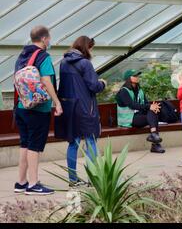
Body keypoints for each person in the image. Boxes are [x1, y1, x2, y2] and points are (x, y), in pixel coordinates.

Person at [14, 26, 62, 195]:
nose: (50, 41)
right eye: (49, 38)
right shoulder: (43, 57)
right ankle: (33, 184)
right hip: (38, 109)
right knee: (34, 146)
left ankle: (21, 182)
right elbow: (46, 81)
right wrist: (57, 103)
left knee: (25, 144)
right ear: (43, 39)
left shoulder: (22, 56)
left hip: (21, 107)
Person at [56, 36, 106, 186]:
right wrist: (102, 83)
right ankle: (93, 179)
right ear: (87, 47)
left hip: (70, 108)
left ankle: (73, 179)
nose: (91, 51)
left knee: (73, 143)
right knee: (90, 142)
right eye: (91, 48)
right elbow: (94, 86)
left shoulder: (63, 62)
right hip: (85, 109)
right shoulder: (85, 63)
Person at [115, 70, 165, 153]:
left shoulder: (140, 90)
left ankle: (154, 135)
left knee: (153, 112)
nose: (137, 77)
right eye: (135, 76)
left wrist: (153, 107)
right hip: (128, 119)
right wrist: (150, 106)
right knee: (152, 113)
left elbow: (145, 103)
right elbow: (132, 105)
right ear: (128, 78)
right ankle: (155, 144)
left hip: (139, 116)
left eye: (138, 75)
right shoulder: (123, 91)